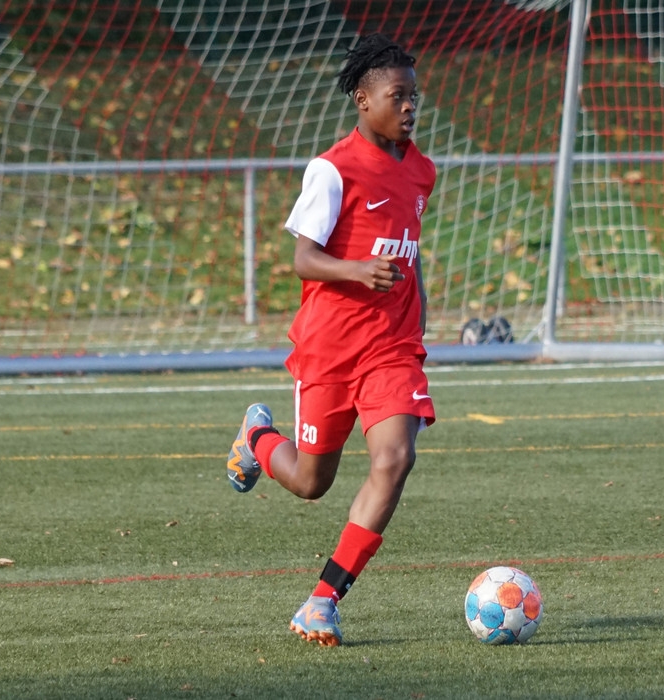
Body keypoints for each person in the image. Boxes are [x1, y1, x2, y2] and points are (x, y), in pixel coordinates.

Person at [226, 33, 436, 647]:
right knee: (310, 482)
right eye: (397, 96)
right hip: (330, 349)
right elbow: (304, 258)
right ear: (363, 100)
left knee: (395, 458)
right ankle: (257, 438)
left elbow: (409, 251)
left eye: (414, 95)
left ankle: (323, 600)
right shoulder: (333, 169)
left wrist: (418, 313)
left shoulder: (421, 170)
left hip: (392, 347)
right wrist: (357, 270)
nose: (409, 106)